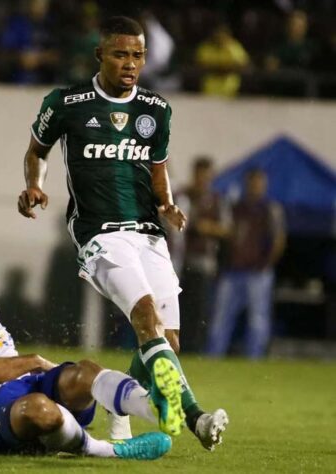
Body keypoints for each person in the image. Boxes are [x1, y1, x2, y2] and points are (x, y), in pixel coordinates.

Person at [17, 16, 228, 449]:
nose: (130, 63)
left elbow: (158, 167)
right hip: (100, 234)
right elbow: (36, 151)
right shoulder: (66, 103)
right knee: (145, 317)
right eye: (120, 54)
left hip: (149, 233)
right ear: (100, 55)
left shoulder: (156, 110)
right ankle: (196, 419)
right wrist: (34, 185)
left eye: (137, 55)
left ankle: (119, 408)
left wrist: (167, 203)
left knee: (166, 340)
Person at [0, 233, 172, 459]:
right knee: (38, 408)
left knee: (85, 371)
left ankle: (154, 407)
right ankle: (107, 450)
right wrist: (33, 361)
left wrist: (66, 379)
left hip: (27, 386)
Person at [207, 169, 286, 358]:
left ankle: (254, 357)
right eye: (253, 183)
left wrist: (266, 264)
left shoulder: (270, 209)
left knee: (257, 319)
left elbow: (278, 240)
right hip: (233, 271)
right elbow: (227, 234)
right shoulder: (236, 207)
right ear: (246, 184)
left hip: (258, 272)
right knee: (221, 318)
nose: (256, 187)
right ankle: (213, 356)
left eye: (259, 183)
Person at [172, 157, 229, 352]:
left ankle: (195, 349)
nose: (202, 179)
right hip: (179, 262)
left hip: (203, 263)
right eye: (199, 175)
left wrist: (207, 228)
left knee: (199, 310)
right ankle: (177, 347)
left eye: (206, 176)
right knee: (179, 309)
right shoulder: (183, 196)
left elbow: (227, 229)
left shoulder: (216, 200)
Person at [195, 23, 250, 97]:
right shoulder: (206, 47)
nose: (220, 38)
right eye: (217, 35)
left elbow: (243, 65)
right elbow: (199, 66)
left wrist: (224, 68)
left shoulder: (234, 47)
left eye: (222, 35)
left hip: (231, 88)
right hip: (209, 88)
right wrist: (220, 68)